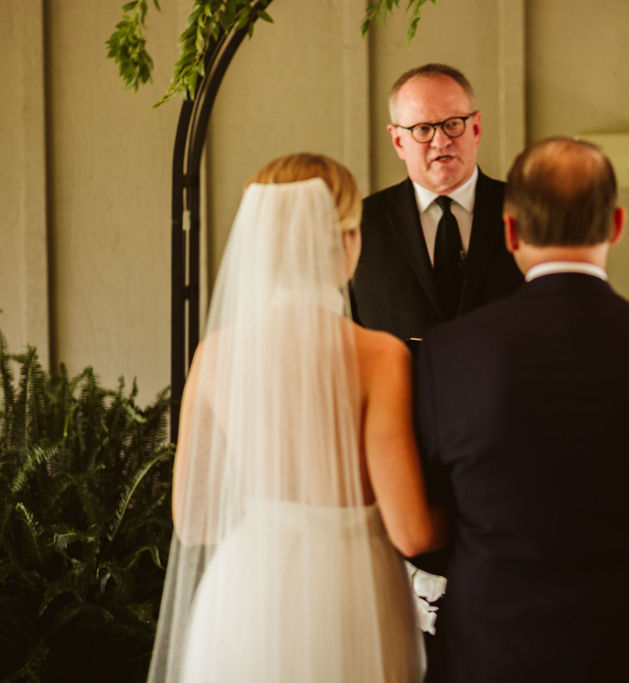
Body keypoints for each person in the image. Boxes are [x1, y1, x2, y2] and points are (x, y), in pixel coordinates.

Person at [415, 137, 629, 683]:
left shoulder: (450, 352)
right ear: (616, 224)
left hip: (499, 652)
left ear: (509, 231)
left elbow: (436, 512)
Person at [147, 153, 446, 683]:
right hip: (352, 594)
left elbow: (192, 522)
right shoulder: (378, 356)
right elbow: (410, 531)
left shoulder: (215, 355)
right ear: (348, 240)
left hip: (245, 593)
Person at [351, 63, 523, 343]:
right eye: (422, 129)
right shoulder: (361, 223)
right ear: (397, 141)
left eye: (453, 124)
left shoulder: (528, 211)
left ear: (476, 128)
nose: (441, 141)